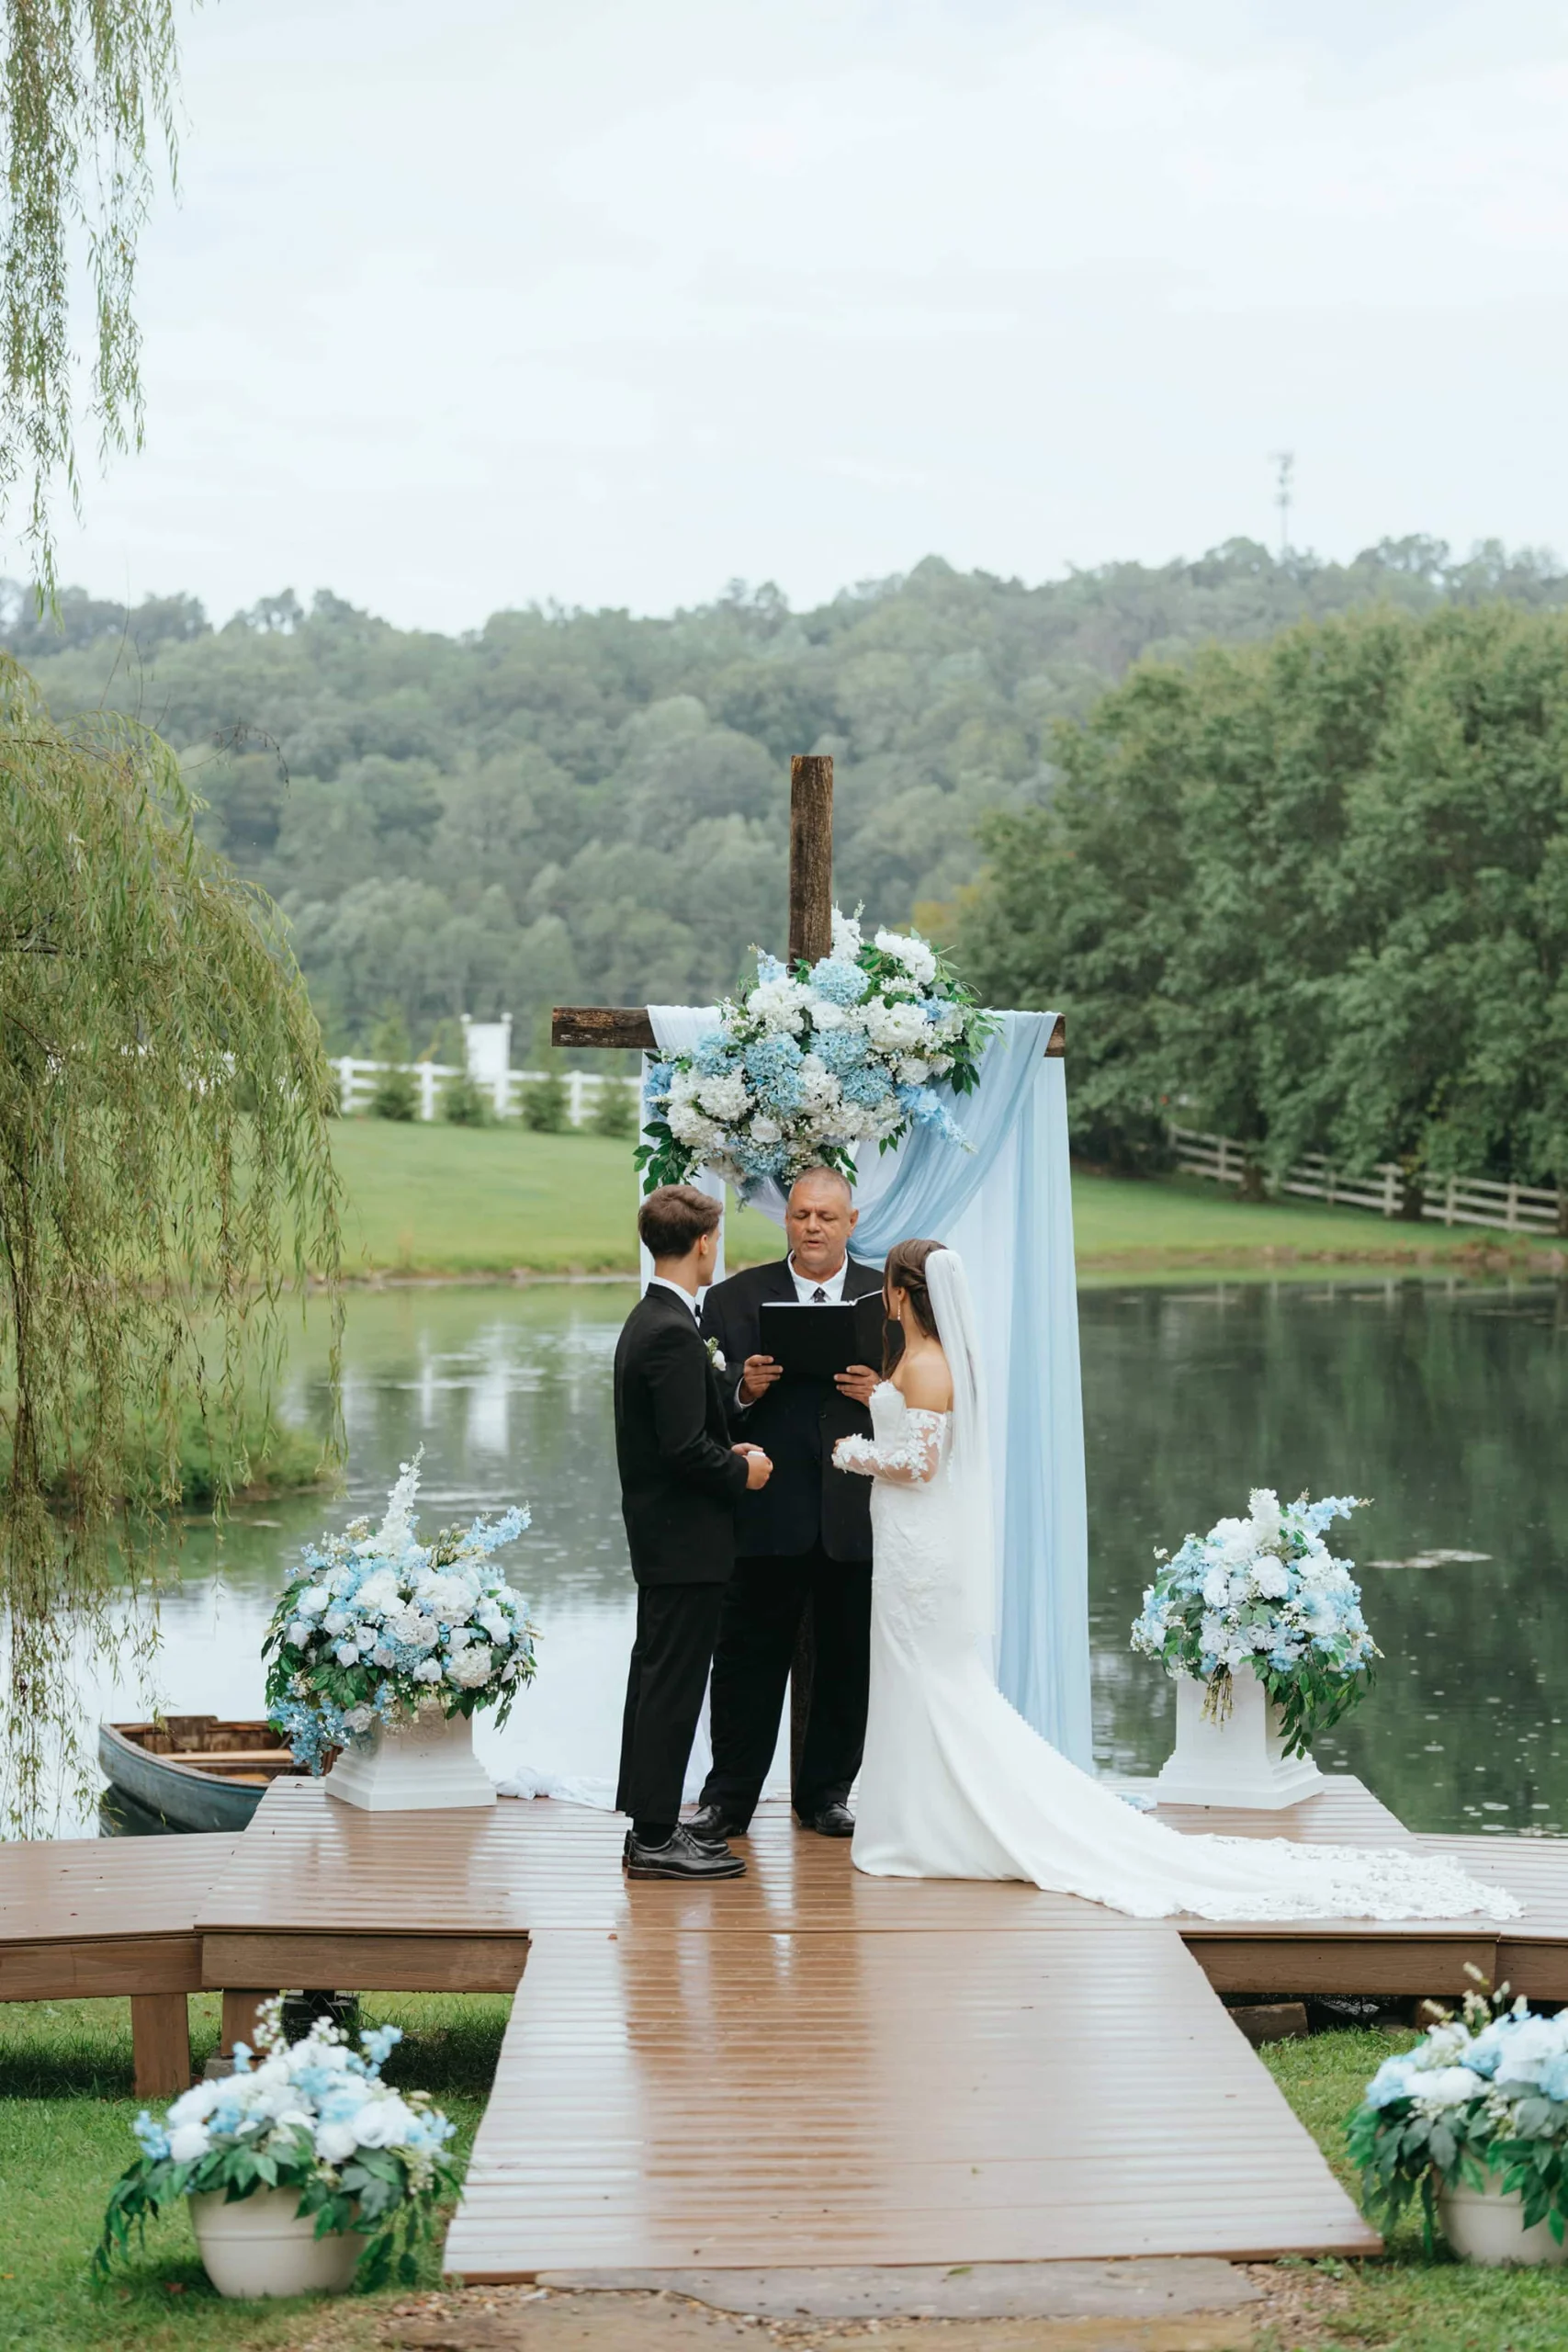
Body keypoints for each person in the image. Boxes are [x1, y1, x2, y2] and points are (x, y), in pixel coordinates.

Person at [831, 1238, 1522, 1925]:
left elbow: (919, 1465)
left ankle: (932, 1825)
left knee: (927, 1679)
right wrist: (879, 1403)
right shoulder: (926, 1362)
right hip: (913, 1545)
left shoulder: (925, 1364)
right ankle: (924, 1818)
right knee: (921, 1677)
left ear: (898, 1293)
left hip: (918, 1548)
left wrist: (850, 1452)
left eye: (886, 1287)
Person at [690, 1166, 885, 1840]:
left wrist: (878, 1395)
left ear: (850, 1223)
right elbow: (702, 1418)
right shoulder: (735, 1301)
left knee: (844, 1662)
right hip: (765, 1514)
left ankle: (826, 1793)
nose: (812, 1228)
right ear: (786, 1220)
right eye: (801, 1215)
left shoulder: (886, 1300)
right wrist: (742, 1390)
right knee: (745, 1661)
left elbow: (928, 1408)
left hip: (851, 1516)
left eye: (826, 1217)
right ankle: (728, 1800)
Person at [614, 1184, 773, 1882]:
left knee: (657, 1681)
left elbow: (677, 1436)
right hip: (684, 1542)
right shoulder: (673, 1333)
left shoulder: (651, 1318)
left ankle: (649, 1827)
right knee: (671, 1688)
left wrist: (723, 1447)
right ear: (704, 1242)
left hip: (667, 1538)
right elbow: (682, 1450)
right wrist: (745, 1473)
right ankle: (653, 1839)